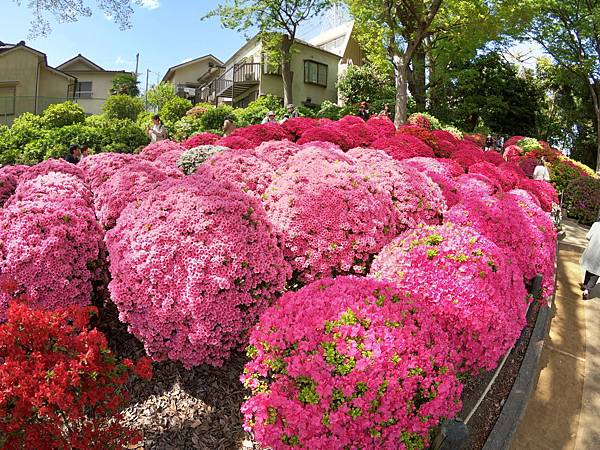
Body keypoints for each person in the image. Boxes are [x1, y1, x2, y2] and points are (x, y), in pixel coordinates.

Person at [581, 221, 600, 299]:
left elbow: (588, 237)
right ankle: (587, 290)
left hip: (592, 250)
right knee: (596, 272)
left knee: (589, 268)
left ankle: (585, 284)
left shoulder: (596, 224)